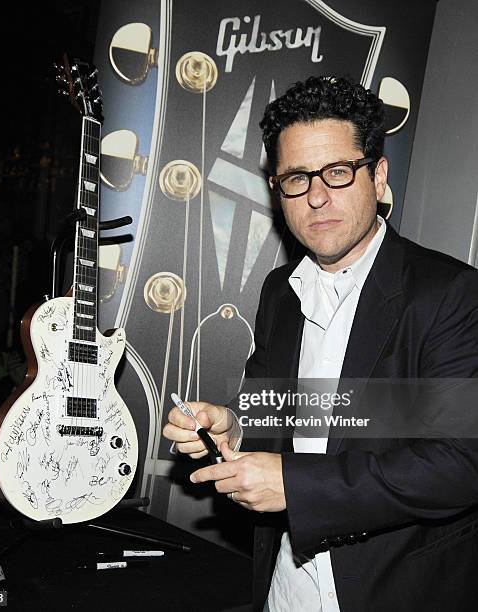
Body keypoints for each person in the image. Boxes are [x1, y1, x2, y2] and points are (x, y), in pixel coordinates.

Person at [163, 76, 478, 611]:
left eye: (337, 171)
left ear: (377, 177)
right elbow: (285, 413)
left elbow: (461, 463)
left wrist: (297, 486)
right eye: (296, 178)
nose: (316, 195)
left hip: (394, 590)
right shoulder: (279, 292)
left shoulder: (450, 293)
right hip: (282, 586)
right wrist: (236, 426)